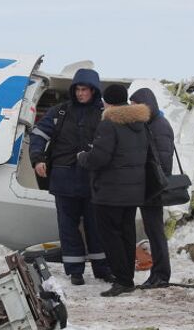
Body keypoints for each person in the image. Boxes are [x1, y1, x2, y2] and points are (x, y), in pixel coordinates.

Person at [29, 68, 112, 285]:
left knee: (97, 227)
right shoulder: (60, 112)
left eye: (85, 89)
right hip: (64, 179)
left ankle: (102, 269)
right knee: (68, 227)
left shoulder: (106, 113)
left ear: (94, 91)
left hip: (94, 180)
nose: (80, 93)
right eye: (77, 89)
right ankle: (75, 271)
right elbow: (38, 135)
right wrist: (38, 159)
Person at [77, 84, 150, 297]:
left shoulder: (109, 124)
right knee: (127, 234)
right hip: (133, 190)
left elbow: (99, 158)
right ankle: (127, 277)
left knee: (111, 237)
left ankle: (122, 280)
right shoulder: (139, 123)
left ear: (107, 101)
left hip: (110, 192)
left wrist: (83, 157)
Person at [129, 88, 174, 289]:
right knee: (152, 231)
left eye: (135, 104)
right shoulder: (149, 124)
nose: (132, 108)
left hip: (154, 188)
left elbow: (163, 161)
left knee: (156, 232)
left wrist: (154, 182)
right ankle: (157, 274)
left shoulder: (160, 126)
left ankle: (161, 275)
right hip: (147, 186)